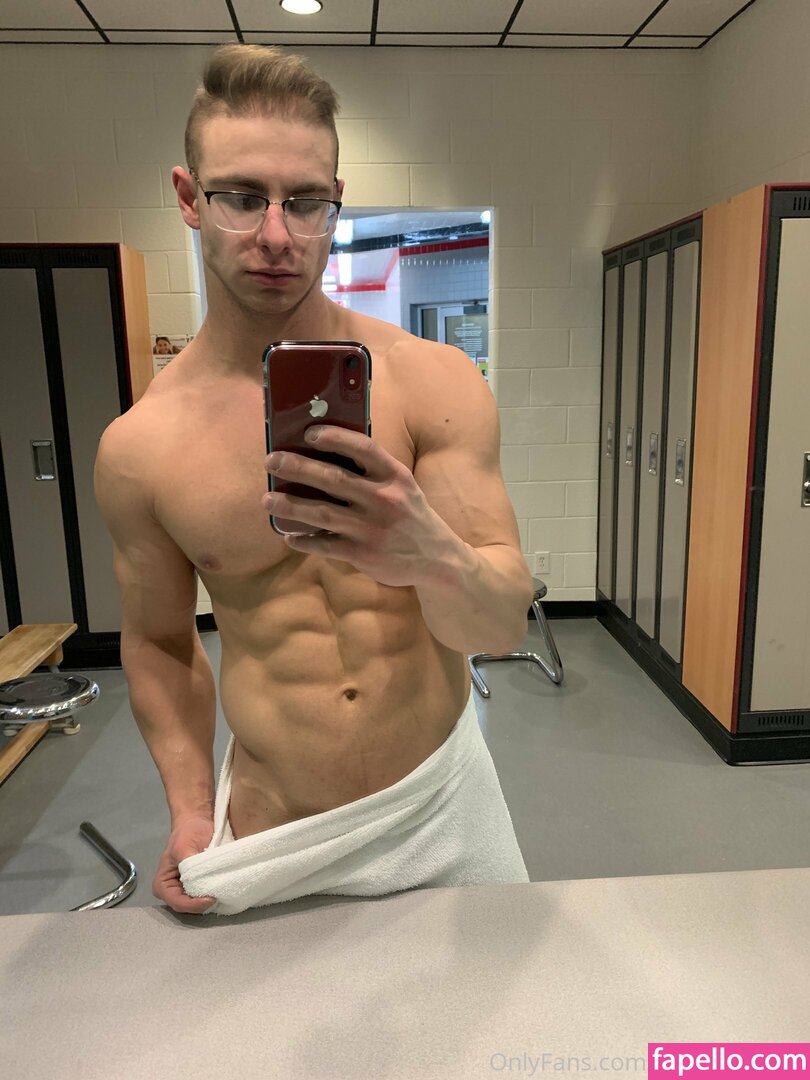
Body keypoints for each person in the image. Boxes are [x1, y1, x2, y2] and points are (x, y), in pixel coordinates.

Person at [94, 44, 534, 916]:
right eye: (241, 197)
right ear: (188, 198)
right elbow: (161, 643)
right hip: (275, 826)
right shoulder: (141, 447)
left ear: (336, 202)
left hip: (441, 797)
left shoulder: (435, 382)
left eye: (304, 202)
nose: (276, 236)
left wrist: (429, 552)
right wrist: (189, 809)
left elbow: (499, 623)